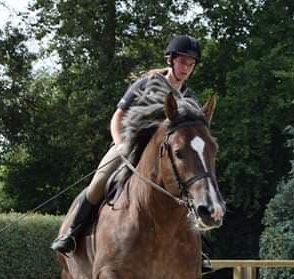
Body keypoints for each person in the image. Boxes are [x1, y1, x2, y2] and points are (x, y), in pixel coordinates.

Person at [51, 35, 202, 255]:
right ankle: (71, 233)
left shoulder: (189, 97)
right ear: (170, 60)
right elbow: (118, 116)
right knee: (98, 183)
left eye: (191, 64)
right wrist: (121, 143)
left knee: (194, 191)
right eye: (183, 62)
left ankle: (197, 251)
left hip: (167, 156)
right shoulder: (147, 83)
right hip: (131, 145)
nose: (186, 68)